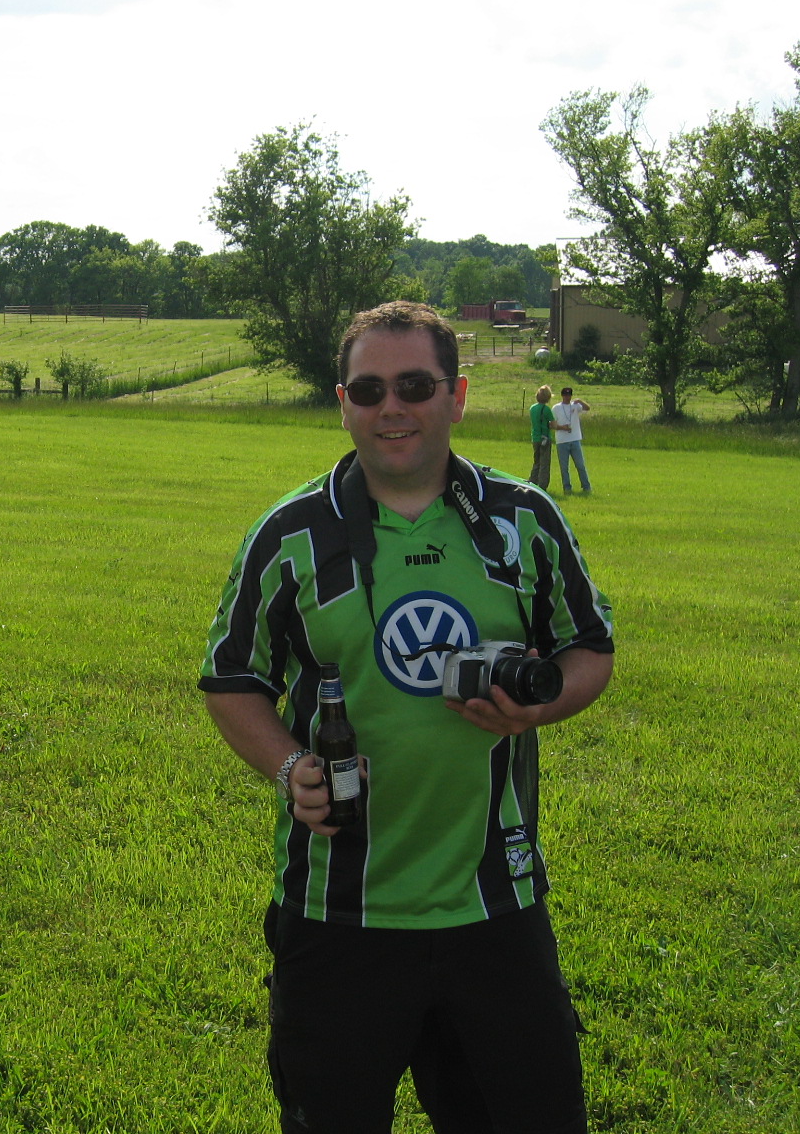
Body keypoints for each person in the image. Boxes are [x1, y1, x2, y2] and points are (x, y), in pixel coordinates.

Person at [200, 301, 613, 1134]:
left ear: (456, 396)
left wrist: (536, 705)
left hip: (495, 907)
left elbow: (590, 650)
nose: (392, 408)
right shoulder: (288, 535)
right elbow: (232, 680)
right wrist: (289, 768)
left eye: (416, 386)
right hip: (337, 915)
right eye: (369, 390)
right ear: (343, 403)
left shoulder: (524, 521)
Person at [552, 386, 592, 495]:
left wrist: (580, 401)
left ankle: (586, 486)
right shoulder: (556, 408)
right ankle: (567, 487)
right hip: (562, 441)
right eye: (565, 395)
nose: (567, 397)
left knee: (580, 465)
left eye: (569, 395)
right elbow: (552, 424)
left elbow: (587, 408)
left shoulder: (575, 406)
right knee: (564, 467)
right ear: (562, 396)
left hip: (575, 439)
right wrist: (562, 428)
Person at [528, 384, 554, 489]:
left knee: (536, 462)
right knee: (544, 463)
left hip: (535, 438)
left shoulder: (532, 408)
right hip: (545, 438)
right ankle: (543, 485)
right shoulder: (547, 410)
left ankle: (532, 482)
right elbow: (553, 424)